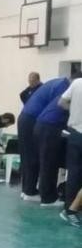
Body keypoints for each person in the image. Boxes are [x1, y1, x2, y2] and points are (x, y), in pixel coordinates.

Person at [17, 77, 72, 201]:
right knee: (39, 158)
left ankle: (28, 190)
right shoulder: (64, 87)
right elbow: (60, 107)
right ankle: (36, 193)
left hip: (26, 117)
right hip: (34, 120)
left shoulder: (57, 82)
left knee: (28, 156)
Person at [34, 74, 76, 206]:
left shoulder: (67, 93)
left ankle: (48, 194)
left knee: (49, 162)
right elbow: (63, 106)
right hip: (49, 127)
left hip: (44, 126)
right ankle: (48, 199)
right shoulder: (71, 94)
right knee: (49, 163)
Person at [59, 73, 82, 223]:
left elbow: (61, 103)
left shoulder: (77, 82)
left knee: (74, 173)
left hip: (74, 133)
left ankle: (69, 208)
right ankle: (73, 208)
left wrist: (74, 111)